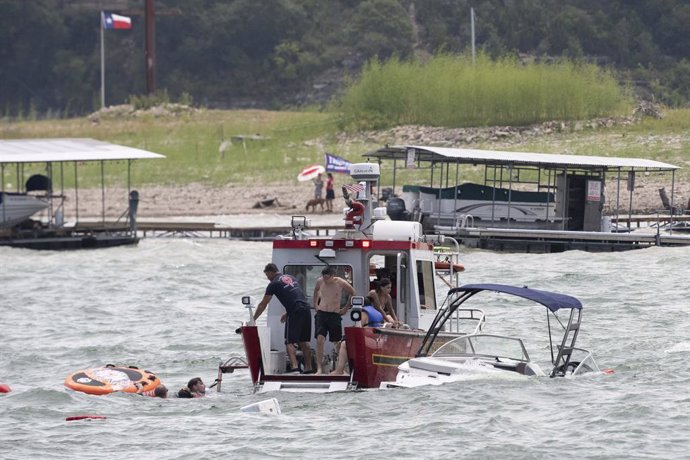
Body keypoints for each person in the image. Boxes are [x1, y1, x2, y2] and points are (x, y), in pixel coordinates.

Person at [254, 263, 314, 374]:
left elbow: (263, 304)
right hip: (306, 309)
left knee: (289, 342)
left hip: (295, 311)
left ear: (272, 271)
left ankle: (295, 368)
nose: (268, 279)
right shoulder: (291, 277)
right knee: (303, 341)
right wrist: (287, 313)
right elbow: (296, 296)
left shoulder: (273, 284)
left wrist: (253, 319)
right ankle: (308, 368)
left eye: (268, 276)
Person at [330, 296, 395, 375]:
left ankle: (339, 371)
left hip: (369, 341)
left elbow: (358, 328)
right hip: (378, 340)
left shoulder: (363, 313)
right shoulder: (377, 313)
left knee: (344, 344)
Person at [312, 266, 355, 374]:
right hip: (322, 313)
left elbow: (353, 293)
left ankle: (341, 368)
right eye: (324, 277)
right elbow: (316, 291)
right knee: (320, 339)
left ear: (332, 276)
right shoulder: (320, 281)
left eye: (327, 278)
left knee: (337, 342)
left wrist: (346, 308)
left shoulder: (340, 282)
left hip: (334, 314)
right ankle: (319, 368)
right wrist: (315, 305)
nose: (325, 280)